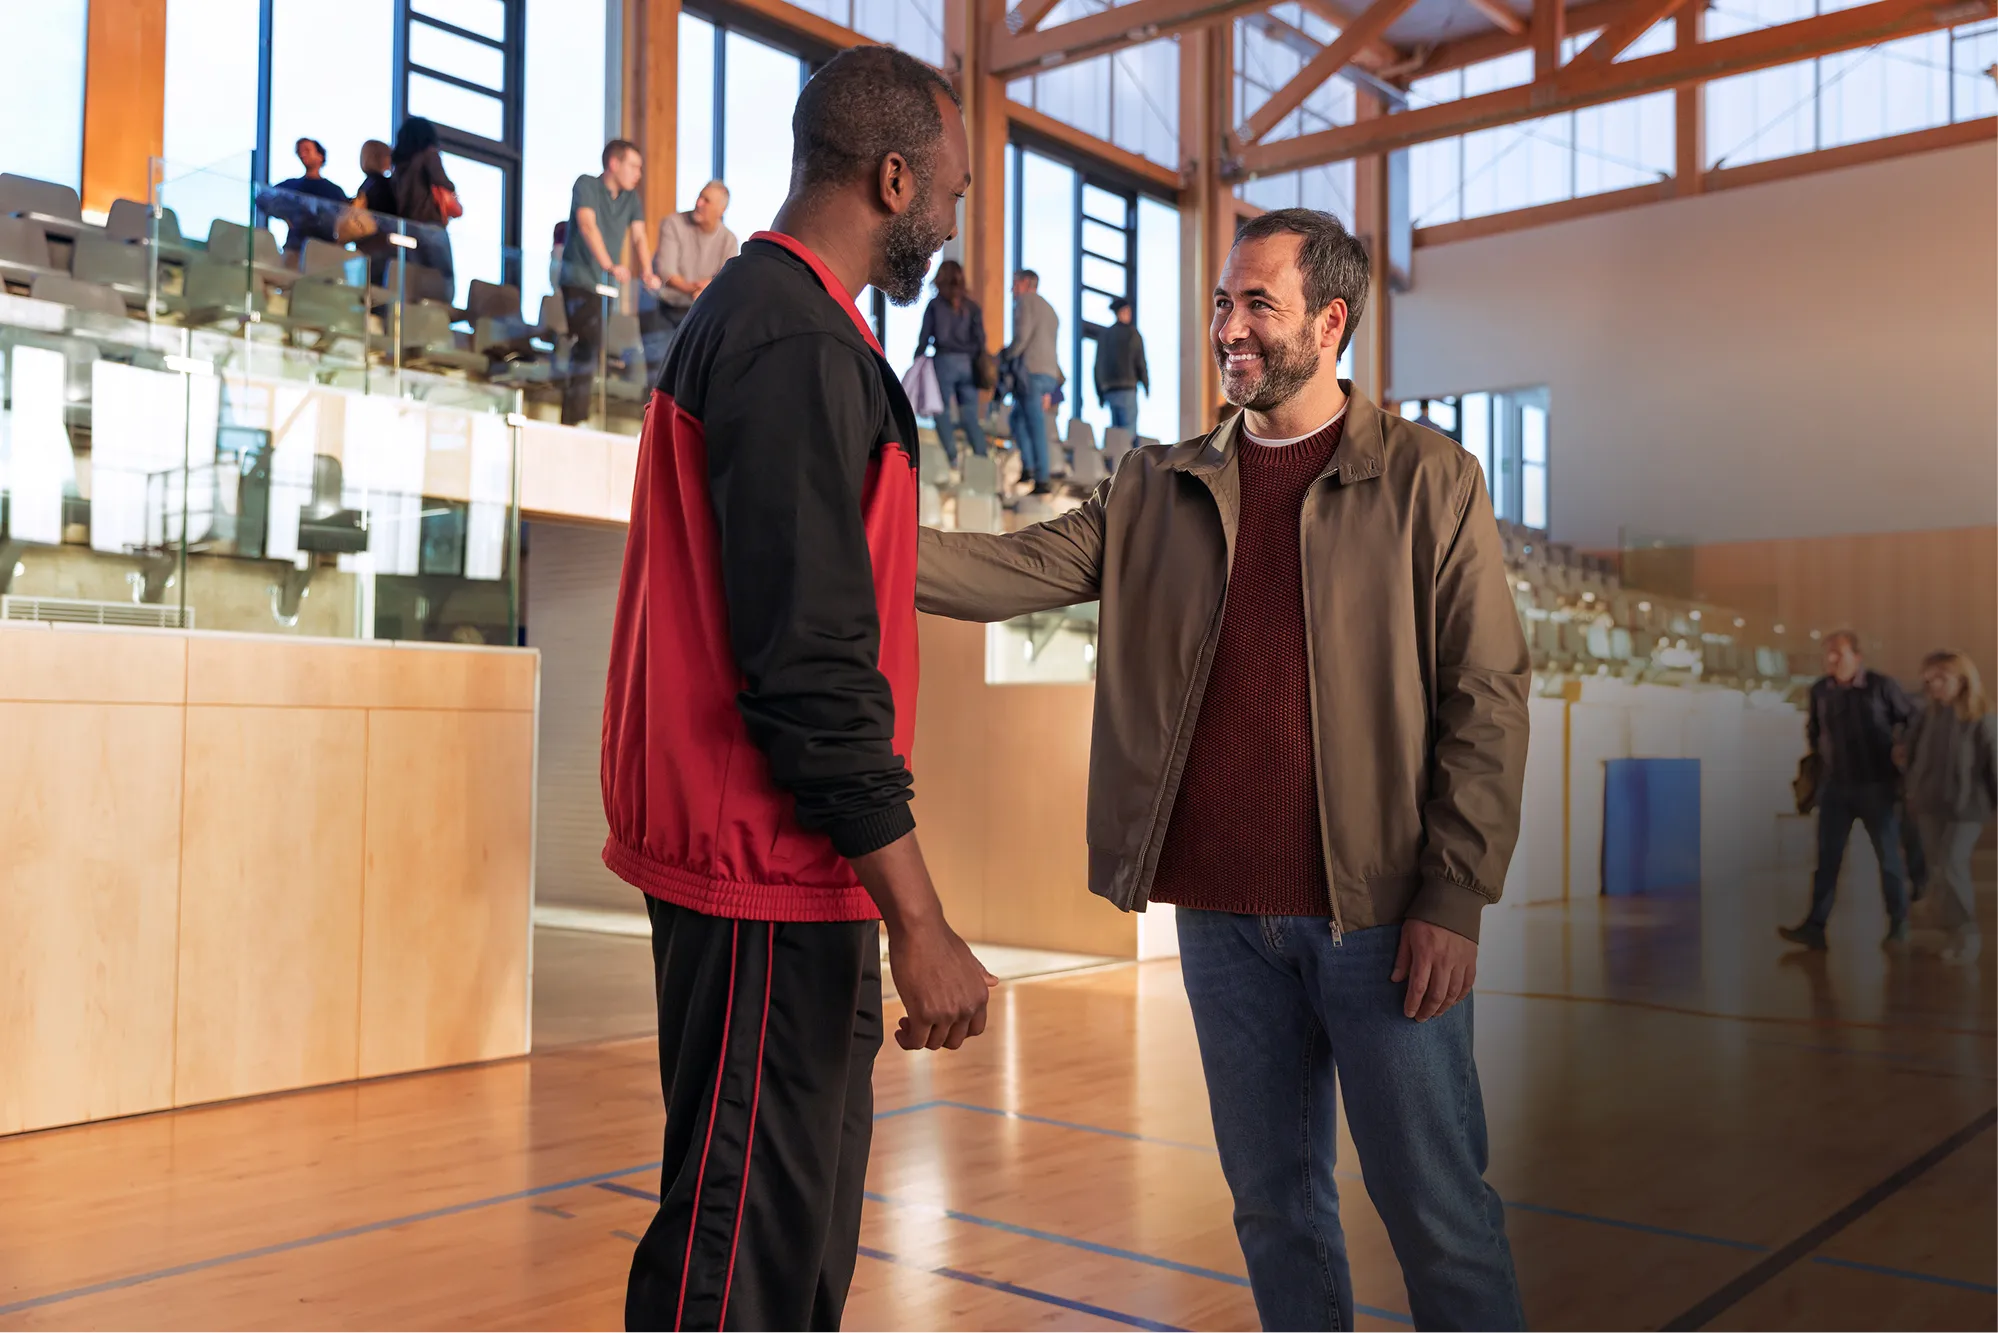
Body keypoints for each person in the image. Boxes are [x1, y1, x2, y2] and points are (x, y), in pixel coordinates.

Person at [916, 207, 1530, 1331]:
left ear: (1331, 320)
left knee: (1438, 1212)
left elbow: (1485, 696)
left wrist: (1453, 893)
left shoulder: (1429, 478)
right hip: (1221, 921)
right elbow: (1007, 567)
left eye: (1258, 305)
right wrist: (835, 538)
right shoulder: (1158, 483)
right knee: (1274, 1211)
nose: (1228, 328)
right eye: (1219, 303)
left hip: (1381, 921)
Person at [600, 45, 992, 1332]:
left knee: (792, 1248)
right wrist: (920, 920)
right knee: (741, 1269)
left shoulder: (775, 324)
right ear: (893, 178)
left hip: (774, 870)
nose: (953, 215)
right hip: (762, 867)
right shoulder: (794, 341)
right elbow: (812, 670)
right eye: (951, 188)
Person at [1780, 630, 1919, 950]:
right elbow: (1814, 731)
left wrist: (1901, 752)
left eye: (1838, 653)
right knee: (1827, 861)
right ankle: (1815, 926)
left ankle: (1898, 922)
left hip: (1877, 787)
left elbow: (1912, 720)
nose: (1831, 660)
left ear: (1857, 657)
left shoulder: (1881, 686)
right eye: (1827, 654)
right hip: (1835, 789)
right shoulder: (1820, 691)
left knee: (1888, 859)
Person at [559, 139, 662, 426]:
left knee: (595, 346)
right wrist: (609, 264)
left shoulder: (630, 199)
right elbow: (587, 225)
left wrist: (647, 271)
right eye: (633, 166)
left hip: (606, 288)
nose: (638, 174)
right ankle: (573, 418)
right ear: (614, 164)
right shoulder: (586, 185)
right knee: (587, 343)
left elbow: (640, 237)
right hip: (579, 280)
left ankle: (580, 415)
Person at [1904, 650, 1995, 964]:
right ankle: (1953, 933)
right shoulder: (1927, 716)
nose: (1934, 685)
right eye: (1929, 679)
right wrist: (1910, 792)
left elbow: (1993, 766)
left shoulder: (1982, 718)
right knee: (1938, 872)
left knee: (1951, 865)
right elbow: (1912, 757)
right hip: (1930, 806)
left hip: (1966, 809)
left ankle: (1967, 934)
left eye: (1941, 677)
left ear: (1962, 679)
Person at [916, 258, 988, 467]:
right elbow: (980, 340)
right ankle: (981, 460)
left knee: (941, 411)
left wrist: (917, 360)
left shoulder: (935, 305)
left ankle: (952, 456)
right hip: (968, 364)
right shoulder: (972, 307)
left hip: (944, 362)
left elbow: (925, 337)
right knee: (970, 416)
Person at [651, 179, 739, 336]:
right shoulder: (673, 223)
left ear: (721, 210)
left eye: (707, 201)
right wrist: (697, 289)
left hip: (705, 315)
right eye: (699, 197)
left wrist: (706, 290)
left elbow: (727, 281)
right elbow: (666, 271)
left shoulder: (729, 240)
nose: (698, 203)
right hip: (667, 311)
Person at [1001, 269, 1061, 494]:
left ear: (1026, 283)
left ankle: (1041, 477)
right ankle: (1030, 468)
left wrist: (1006, 355)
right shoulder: (1051, 310)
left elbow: (1022, 338)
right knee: (1018, 418)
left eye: (1015, 284)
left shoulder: (1025, 303)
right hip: (1049, 374)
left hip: (1031, 372)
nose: (1012, 289)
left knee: (1035, 425)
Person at [388, 117, 459, 293]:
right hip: (431, 226)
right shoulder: (429, 155)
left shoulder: (399, 168)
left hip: (408, 229)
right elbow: (443, 182)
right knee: (444, 280)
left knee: (415, 280)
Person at [265, 137, 348, 260]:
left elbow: (344, 218)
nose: (303, 154)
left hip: (325, 250)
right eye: (300, 151)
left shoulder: (334, 191)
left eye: (307, 150)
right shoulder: (291, 185)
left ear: (320, 156)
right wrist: (286, 214)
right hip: (295, 248)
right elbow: (263, 197)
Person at [1094, 295, 1147, 431]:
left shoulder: (1105, 335)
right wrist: (1146, 384)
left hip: (1109, 391)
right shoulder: (1132, 333)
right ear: (1122, 312)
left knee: (1115, 436)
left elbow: (1097, 365)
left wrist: (1100, 393)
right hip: (1127, 389)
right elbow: (1140, 361)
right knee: (1128, 435)